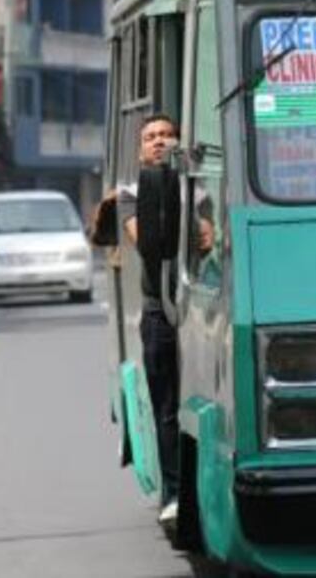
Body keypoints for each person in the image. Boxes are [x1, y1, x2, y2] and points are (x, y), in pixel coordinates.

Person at [93, 114, 212, 526]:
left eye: (167, 136)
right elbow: (146, 239)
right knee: (167, 406)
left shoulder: (199, 190)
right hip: (159, 310)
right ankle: (173, 493)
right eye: (151, 137)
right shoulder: (129, 194)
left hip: (201, 310)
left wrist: (204, 227)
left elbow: (207, 235)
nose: (159, 142)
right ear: (141, 149)